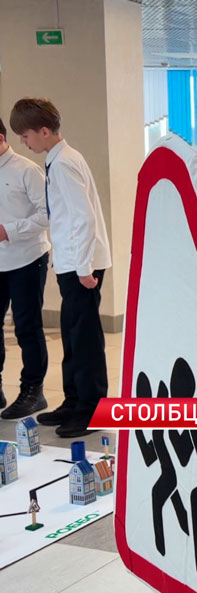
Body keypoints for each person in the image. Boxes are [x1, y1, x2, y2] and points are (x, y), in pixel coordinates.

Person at [9, 98, 111, 438]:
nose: (25, 143)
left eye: (25, 136)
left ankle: (91, 409)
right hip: (71, 262)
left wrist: (83, 267)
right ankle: (73, 400)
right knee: (71, 334)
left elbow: (83, 218)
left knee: (84, 340)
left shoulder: (65, 163)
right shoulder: (59, 160)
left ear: (44, 130)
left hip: (82, 266)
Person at [0, 117, 50, 420]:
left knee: (27, 327)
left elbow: (48, 214)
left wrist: (9, 230)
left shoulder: (26, 170)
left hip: (27, 259)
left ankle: (34, 391)